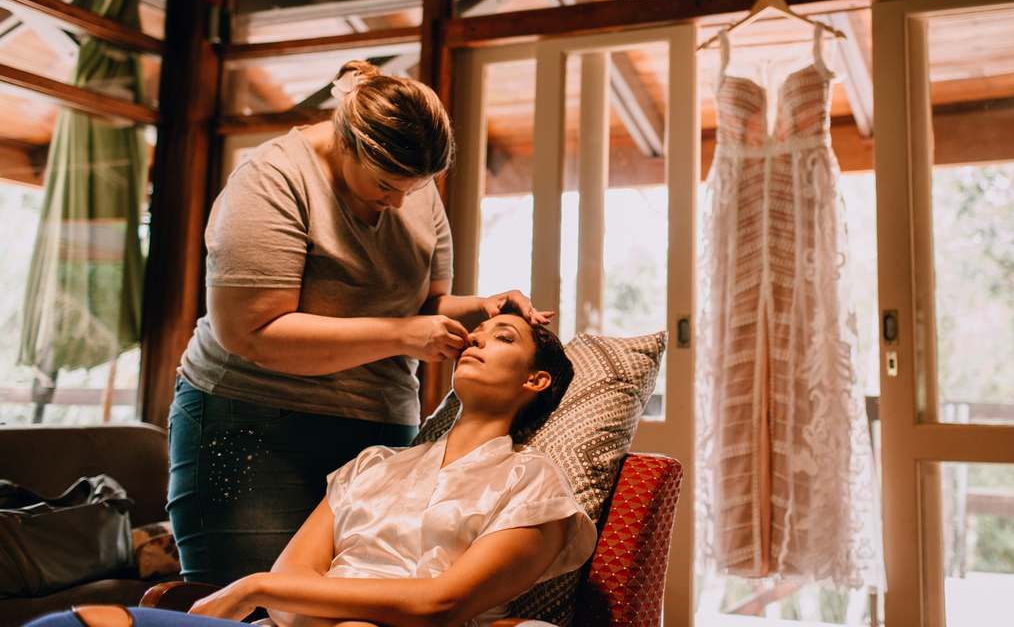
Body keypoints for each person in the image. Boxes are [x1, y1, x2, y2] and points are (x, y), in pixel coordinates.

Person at [168, 61, 552, 585]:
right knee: (253, 607)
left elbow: (425, 304)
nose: (400, 202)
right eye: (386, 185)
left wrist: (480, 306)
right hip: (254, 424)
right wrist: (400, 335)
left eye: (415, 188)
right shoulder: (275, 178)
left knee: (350, 603)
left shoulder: (410, 187)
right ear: (348, 145)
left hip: (380, 428)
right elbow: (249, 332)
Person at [27, 311, 595, 627]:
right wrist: (278, 594)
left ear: (536, 380)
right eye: (478, 331)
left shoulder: (532, 482)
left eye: (503, 337)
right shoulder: (373, 466)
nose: (475, 338)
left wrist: (253, 585)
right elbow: (288, 585)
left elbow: (440, 603)